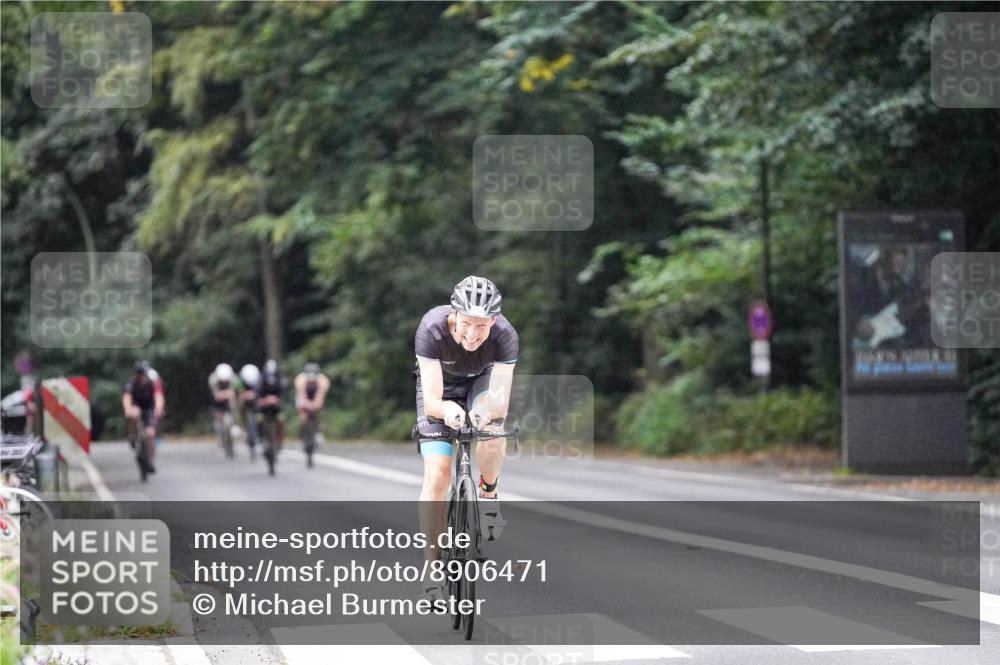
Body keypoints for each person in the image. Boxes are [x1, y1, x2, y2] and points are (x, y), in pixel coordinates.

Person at [413, 276, 517, 601]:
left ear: (494, 322)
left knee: (494, 428)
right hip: (440, 390)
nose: (472, 334)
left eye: (481, 326)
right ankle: (432, 572)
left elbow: (499, 401)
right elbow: (433, 400)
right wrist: (447, 410)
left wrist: (484, 413)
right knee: (437, 475)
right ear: (454, 314)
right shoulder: (431, 329)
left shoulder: (505, 336)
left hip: (481, 384)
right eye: (467, 323)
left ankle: (488, 494)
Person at [122, 361, 165, 474]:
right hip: (136, 406)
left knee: (150, 434)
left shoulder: (153, 384)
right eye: (139, 374)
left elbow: (158, 397)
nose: (141, 376)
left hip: (150, 408)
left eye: (143, 374)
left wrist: (159, 408)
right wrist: (127, 409)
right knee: (134, 414)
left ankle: (150, 461)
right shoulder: (131, 384)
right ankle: (133, 435)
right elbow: (127, 398)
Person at [294, 362, 330, 468]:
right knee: (303, 417)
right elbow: (302, 395)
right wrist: (306, 405)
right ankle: (301, 437)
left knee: (319, 413)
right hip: (304, 397)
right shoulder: (300, 380)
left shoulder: (323, 381)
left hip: (315, 397)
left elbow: (320, 395)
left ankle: (318, 432)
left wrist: (315, 405)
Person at [255, 359, 286, 474]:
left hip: (276, 410)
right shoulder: (260, 383)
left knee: (281, 421)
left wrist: (276, 400)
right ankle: (259, 440)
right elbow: (257, 399)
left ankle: (280, 443)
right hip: (263, 410)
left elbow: (282, 397)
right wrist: (265, 401)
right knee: (258, 420)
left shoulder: (280, 382)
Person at [208, 363, 238, 456]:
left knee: (232, 416)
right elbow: (216, 396)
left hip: (229, 401)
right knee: (218, 420)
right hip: (218, 403)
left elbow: (234, 394)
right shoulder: (212, 380)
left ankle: (233, 428)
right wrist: (226, 394)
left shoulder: (234, 379)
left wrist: (231, 400)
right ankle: (220, 440)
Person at [239, 364, 261, 461]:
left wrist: (254, 395)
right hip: (245, 406)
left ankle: (259, 436)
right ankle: (243, 427)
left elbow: (260, 394)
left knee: (258, 418)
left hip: (256, 405)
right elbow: (239, 394)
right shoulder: (240, 382)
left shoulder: (259, 381)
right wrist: (244, 397)